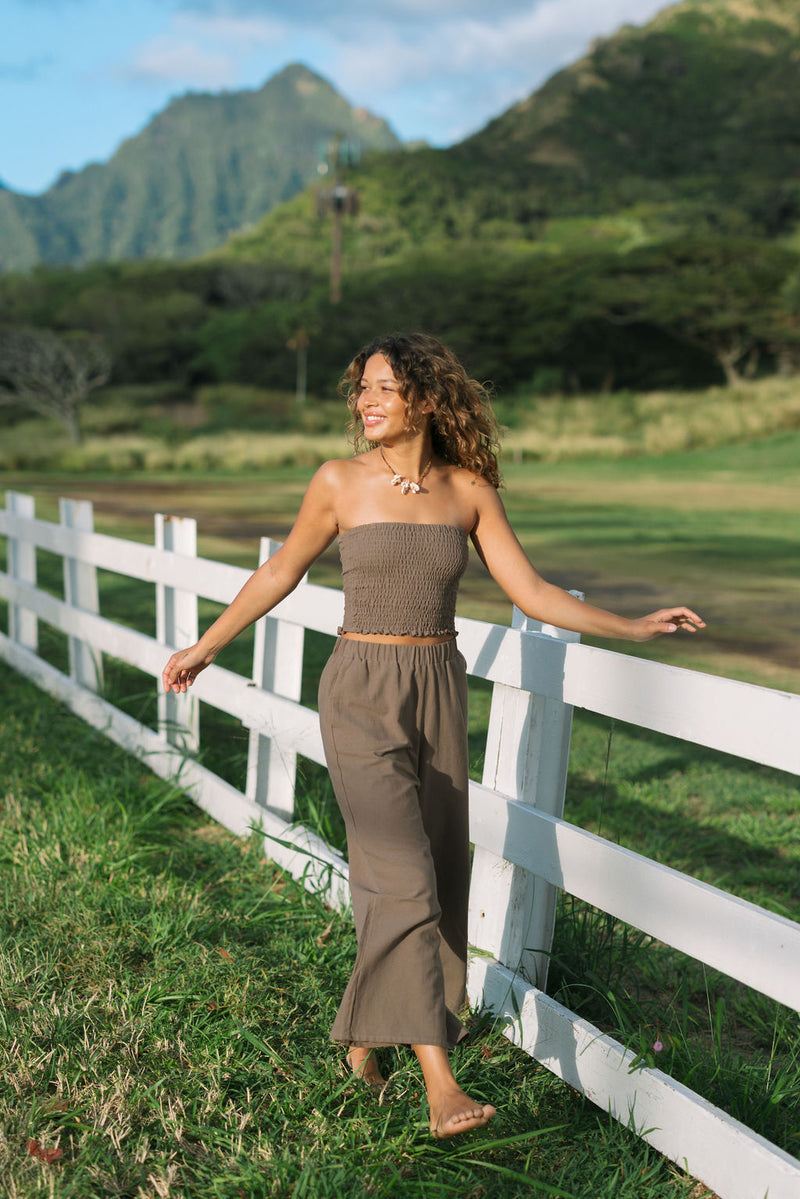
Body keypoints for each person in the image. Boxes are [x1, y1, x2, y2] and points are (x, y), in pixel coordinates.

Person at [161, 331, 704, 1138]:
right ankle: (439, 1080)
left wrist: (630, 624)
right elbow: (282, 570)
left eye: (381, 387)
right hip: (359, 689)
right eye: (360, 390)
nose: (365, 401)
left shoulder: (468, 491)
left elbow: (532, 589)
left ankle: (362, 1035)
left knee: (435, 873)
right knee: (403, 875)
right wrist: (207, 645)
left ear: (424, 396)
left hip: (438, 689)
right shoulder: (338, 483)